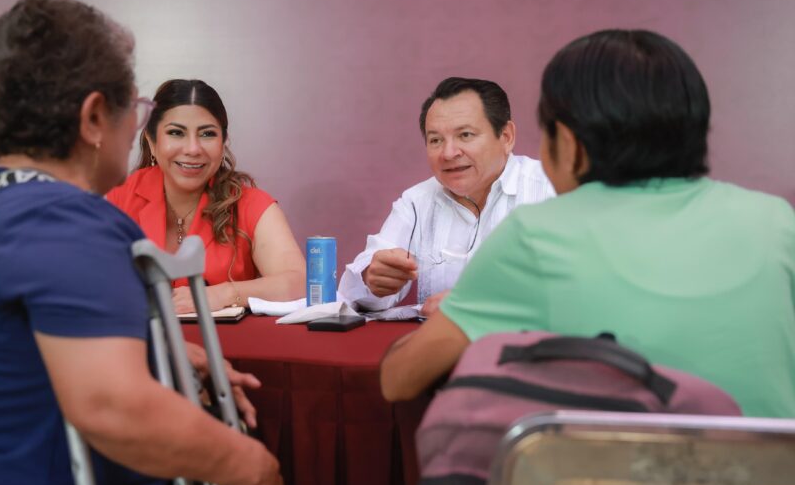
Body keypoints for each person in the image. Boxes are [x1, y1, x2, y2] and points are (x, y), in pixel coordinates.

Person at [380, 29, 795, 418]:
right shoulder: (777, 221)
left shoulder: (536, 235)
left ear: (570, 143)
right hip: (771, 484)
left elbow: (398, 380)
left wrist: (459, 306)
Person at [0, 0, 282, 485]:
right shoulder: (71, 223)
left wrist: (161, 350)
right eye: (139, 111)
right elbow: (112, 407)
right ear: (94, 118)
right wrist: (254, 470)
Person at [338, 77, 555, 314]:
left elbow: (585, 289)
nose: (449, 153)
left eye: (465, 135)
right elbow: (358, 294)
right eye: (436, 140)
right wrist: (373, 279)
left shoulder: (553, 190)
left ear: (506, 137)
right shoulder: (417, 201)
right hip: (440, 347)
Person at [107, 79, 305, 314]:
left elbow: (300, 283)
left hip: (230, 347)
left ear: (224, 142)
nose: (193, 149)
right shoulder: (116, 198)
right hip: (138, 346)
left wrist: (224, 294)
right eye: (176, 133)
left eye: (207, 134)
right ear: (151, 141)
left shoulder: (252, 205)